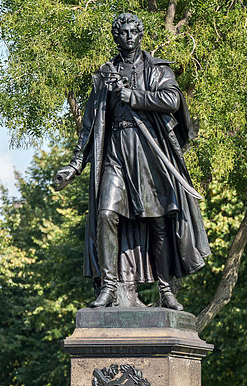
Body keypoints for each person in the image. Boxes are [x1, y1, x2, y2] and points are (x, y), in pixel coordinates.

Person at [56, 13, 210, 310]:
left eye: (133, 32)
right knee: (105, 214)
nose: (128, 37)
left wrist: (132, 95)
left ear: (141, 35)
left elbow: (172, 100)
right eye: (122, 32)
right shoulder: (104, 75)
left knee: (159, 222)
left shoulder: (157, 69)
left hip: (148, 153)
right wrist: (74, 166)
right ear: (116, 37)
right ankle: (109, 286)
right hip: (115, 152)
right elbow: (89, 126)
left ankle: (166, 290)